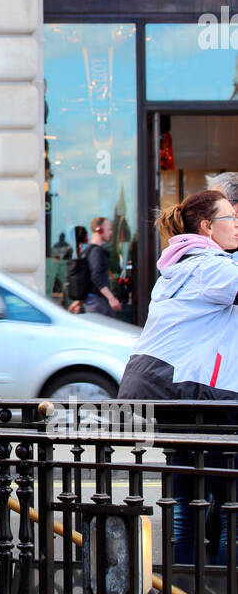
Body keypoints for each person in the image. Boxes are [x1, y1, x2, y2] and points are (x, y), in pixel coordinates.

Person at [118, 190, 238, 570]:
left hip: (156, 391)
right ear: (207, 227)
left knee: (186, 500)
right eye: (230, 218)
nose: (236, 225)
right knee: (230, 505)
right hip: (191, 393)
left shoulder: (178, 265)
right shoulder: (211, 267)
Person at [82, 217, 121, 317]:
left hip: (94, 302)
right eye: (109, 229)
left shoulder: (89, 250)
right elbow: (96, 276)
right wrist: (111, 298)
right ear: (100, 229)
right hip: (98, 303)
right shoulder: (96, 251)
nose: (111, 232)